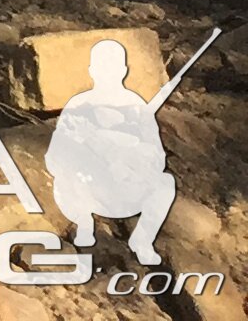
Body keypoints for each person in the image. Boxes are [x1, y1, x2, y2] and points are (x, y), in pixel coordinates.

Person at [46, 36, 182, 266]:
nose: (107, 72)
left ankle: (142, 240)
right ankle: (84, 223)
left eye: (113, 66)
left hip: (129, 188)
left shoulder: (137, 105)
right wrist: (85, 150)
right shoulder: (78, 105)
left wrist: (129, 159)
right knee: (63, 182)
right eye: (102, 66)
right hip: (89, 189)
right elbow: (55, 157)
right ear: (92, 70)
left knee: (165, 184)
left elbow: (157, 157)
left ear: (124, 70)